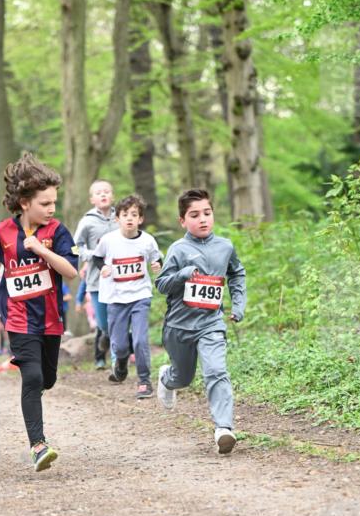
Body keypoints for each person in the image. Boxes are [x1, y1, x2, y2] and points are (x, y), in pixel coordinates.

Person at [0, 152, 77, 471]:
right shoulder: (2, 233)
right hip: (17, 318)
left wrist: (41, 249)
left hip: (51, 319)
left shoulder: (57, 231)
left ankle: (34, 393)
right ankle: (38, 445)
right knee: (31, 376)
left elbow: (71, 271)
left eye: (54, 203)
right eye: (45, 203)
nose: (51, 209)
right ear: (24, 202)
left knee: (47, 378)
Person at [155, 188, 246, 454]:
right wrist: (182, 274)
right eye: (194, 215)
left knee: (216, 371)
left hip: (211, 322)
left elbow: (237, 275)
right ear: (182, 221)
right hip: (179, 326)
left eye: (207, 213)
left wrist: (238, 305)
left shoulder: (225, 246)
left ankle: (223, 429)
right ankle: (167, 378)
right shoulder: (178, 249)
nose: (203, 219)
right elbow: (161, 285)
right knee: (182, 377)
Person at [92, 194, 162, 398]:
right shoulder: (109, 240)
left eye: (134, 215)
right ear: (117, 219)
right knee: (120, 345)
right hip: (115, 298)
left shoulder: (148, 241)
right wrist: (103, 267)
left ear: (140, 219)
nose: (129, 218)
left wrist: (158, 265)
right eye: (125, 214)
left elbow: (157, 259)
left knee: (140, 340)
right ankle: (121, 364)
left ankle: (144, 380)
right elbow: (97, 258)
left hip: (140, 296)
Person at [73, 179, 117, 368]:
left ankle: (117, 363)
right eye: (99, 192)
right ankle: (104, 337)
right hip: (96, 280)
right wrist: (91, 255)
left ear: (112, 196)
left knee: (117, 322)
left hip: (119, 279)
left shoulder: (121, 217)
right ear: (92, 199)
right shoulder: (87, 221)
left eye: (106, 191)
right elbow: (74, 247)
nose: (103, 194)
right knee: (104, 324)